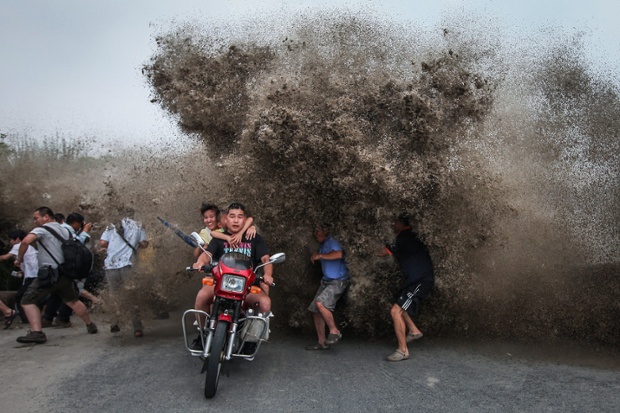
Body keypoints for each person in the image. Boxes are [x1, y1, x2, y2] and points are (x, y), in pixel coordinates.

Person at [14, 207, 98, 344]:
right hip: (65, 272)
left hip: (49, 274)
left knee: (27, 300)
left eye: (36, 218)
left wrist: (19, 259)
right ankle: (90, 324)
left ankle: (37, 333)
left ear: (46, 217)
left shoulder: (42, 229)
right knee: (72, 300)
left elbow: (25, 241)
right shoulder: (65, 229)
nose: (35, 221)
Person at [193, 202, 273, 321]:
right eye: (232, 216)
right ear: (226, 219)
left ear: (245, 219)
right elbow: (206, 255)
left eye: (240, 217)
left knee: (265, 303)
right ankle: (202, 333)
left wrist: (267, 274)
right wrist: (200, 263)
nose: (236, 220)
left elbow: (266, 259)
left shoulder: (254, 238)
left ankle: (252, 338)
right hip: (220, 284)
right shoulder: (219, 238)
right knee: (202, 296)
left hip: (248, 287)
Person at [378, 212, 434, 362]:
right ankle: (414, 330)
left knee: (395, 311)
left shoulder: (405, 237)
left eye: (394, 221)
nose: (392, 225)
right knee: (394, 301)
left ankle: (403, 351)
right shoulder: (411, 236)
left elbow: (384, 252)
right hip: (415, 280)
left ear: (401, 223)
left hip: (420, 281)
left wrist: (366, 251)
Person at [42, 212, 98, 328]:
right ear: (77, 223)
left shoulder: (63, 229)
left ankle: (47, 318)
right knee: (72, 293)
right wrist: (85, 231)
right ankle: (63, 318)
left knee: (57, 293)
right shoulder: (67, 231)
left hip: (59, 267)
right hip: (67, 267)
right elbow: (75, 245)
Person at [99, 216, 148, 337]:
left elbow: (103, 243)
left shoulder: (111, 225)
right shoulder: (138, 225)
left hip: (111, 266)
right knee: (131, 296)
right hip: (128, 265)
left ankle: (115, 322)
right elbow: (144, 244)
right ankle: (137, 328)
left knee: (115, 295)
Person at [305, 223, 350, 350]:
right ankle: (322, 342)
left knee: (321, 304)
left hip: (338, 281)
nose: (315, 233)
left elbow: (339, 254)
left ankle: (334, 331)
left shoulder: (332, 241)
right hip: (326, 281)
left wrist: (320, 256)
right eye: (314, 231)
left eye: (318, 230)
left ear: (326, 230)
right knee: (315, 310)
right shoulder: (324, 244)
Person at [0, 230, 39, 326]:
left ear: (17, 239)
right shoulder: (30, 248)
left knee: (21, 297)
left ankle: (26, 318)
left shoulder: (19, 246)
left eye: (11, 240)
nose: (10, 242)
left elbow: (5, 257)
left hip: (32, 276)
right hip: (35, 275)